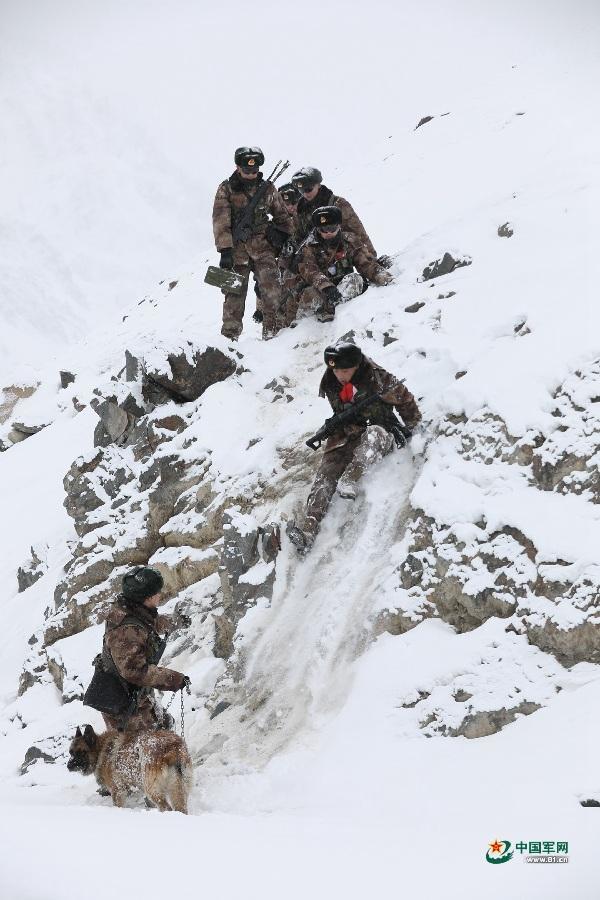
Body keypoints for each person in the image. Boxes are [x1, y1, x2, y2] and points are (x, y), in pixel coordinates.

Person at [286, 342, 422, 554]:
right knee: (326, 473)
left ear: (356, 366)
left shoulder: (377, 378)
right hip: (348, 435)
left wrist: (412, 427)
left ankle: (351, 478)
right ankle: (308, 531)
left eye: (345, 370)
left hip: (381, 432)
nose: (340, 374)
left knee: (374, 435)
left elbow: (405, 399)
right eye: (336, 370)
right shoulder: (330, 381)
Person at [213, 147, 293, 340]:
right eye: (246, 171)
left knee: (272, 289)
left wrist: (284, 236)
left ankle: (273, 334)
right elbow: (220, 220)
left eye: (254, 171)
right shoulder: (226, 188)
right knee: (233, 296)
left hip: (263, 247)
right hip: (235, 251)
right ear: (238, 167)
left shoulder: (267, 188)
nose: (250, 174)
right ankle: (229, 341)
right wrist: (224, 251)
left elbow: (282, 215)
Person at [99, 566, 189, 732]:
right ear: (147, 598)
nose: (160, 595)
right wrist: (174, 679)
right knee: (148, 748)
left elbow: (150, 624)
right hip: (125, 705)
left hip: (133, 694)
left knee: (163, 728)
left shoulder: (133, 610)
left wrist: (176, 622)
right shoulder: (126, 632)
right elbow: (135, 672)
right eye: (157, 593)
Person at [285, 206, 393, 324]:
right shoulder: (307, 247)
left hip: (341, 286)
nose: (328, 233)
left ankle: (335, 309)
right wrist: (327, 287)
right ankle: (312, 319)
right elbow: (311, 271)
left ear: (339, 226)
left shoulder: (349, 240)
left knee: (355, 279)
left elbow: (364, 263)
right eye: (323, 229)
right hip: (316, 290)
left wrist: (380, 275)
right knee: (311, 295)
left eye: (331, 228)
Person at [291, 166, 380, 258]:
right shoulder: (300, 209)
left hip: (339, 256)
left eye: (309, 189)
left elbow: (358, 233)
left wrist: (371, 258)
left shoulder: (338, 204)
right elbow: (297, 236)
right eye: (301, 190)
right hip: (313, 259)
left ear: (318, 184)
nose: (306, 194)